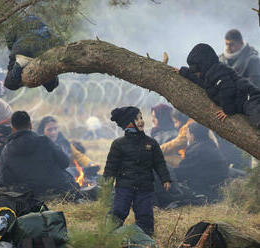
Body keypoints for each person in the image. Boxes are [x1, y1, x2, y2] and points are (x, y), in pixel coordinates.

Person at [103, 106, 171, 236]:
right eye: (137, 119)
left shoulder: (151, 143)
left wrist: (165, 178)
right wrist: (107, 182)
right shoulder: (118, 144)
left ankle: (146, 237)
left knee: (145, 213)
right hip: (124, 185)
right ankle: (109, 235)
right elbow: (111, 166)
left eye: (141, 118)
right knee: (118, 211)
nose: (141, 121)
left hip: (145, 186)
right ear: (128, 123)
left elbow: (159, 163)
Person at [178, 43, 260, 128]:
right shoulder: (207, 76)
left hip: (247, 96)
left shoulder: (217, 71)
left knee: (255, 113)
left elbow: (227, 89)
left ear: (203, 65)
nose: (196, 73)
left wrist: (227, 110)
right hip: (240, 101)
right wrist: (183, 72)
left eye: (196, 69)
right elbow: (199, 81)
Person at [0, 111, 79, 195]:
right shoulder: (45, 141)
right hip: (56, 189)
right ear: (30, 125)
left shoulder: (6, 150)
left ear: (13, 128)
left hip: (28, 194)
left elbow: (5, 179)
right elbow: (65, 162)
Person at [4, 15, 63, 92]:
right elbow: (59, 41)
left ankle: (19, 65)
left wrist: (14, 53)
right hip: (43, 51)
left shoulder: (15, 26)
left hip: (21, 48)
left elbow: (9, 41)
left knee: (9, 83)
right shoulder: (43, 26)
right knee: (51, 86)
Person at [174, 122, 228, 201]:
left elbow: (182, 173)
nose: (186, 136)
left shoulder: (195, 150)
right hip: (218, 183)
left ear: (192, 136)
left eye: (187, 133)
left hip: (206, 187)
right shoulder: (210, 144)